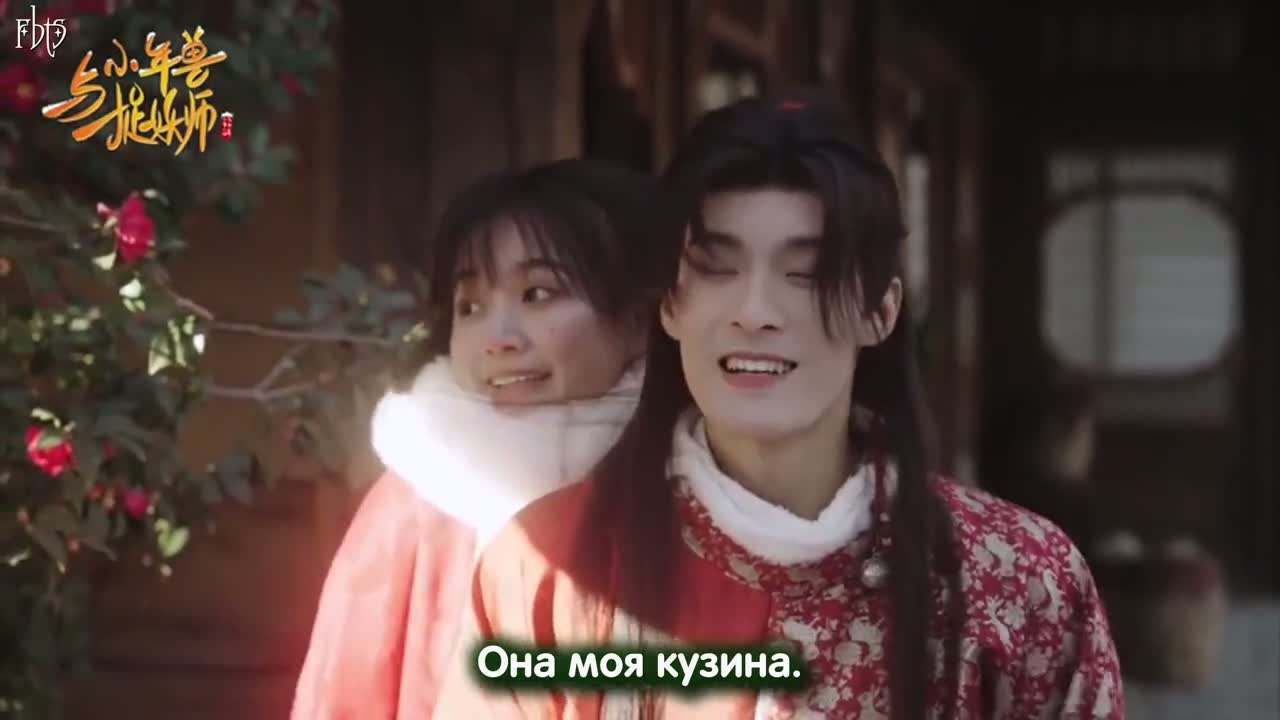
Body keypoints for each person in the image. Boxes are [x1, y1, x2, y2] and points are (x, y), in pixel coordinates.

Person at [435, 93, 1124, 719]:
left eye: (805, 272)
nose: (755, 311)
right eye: (717, 268)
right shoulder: (548, 567)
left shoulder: (1019, 578)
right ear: (670, 304)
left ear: (880, 311)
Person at [290, 159, 655, 719]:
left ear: (636, 319)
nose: (498, 338)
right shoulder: (421, 495)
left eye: (537, 294)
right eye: (471, 307)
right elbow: (343, 698)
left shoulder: (696, 480)